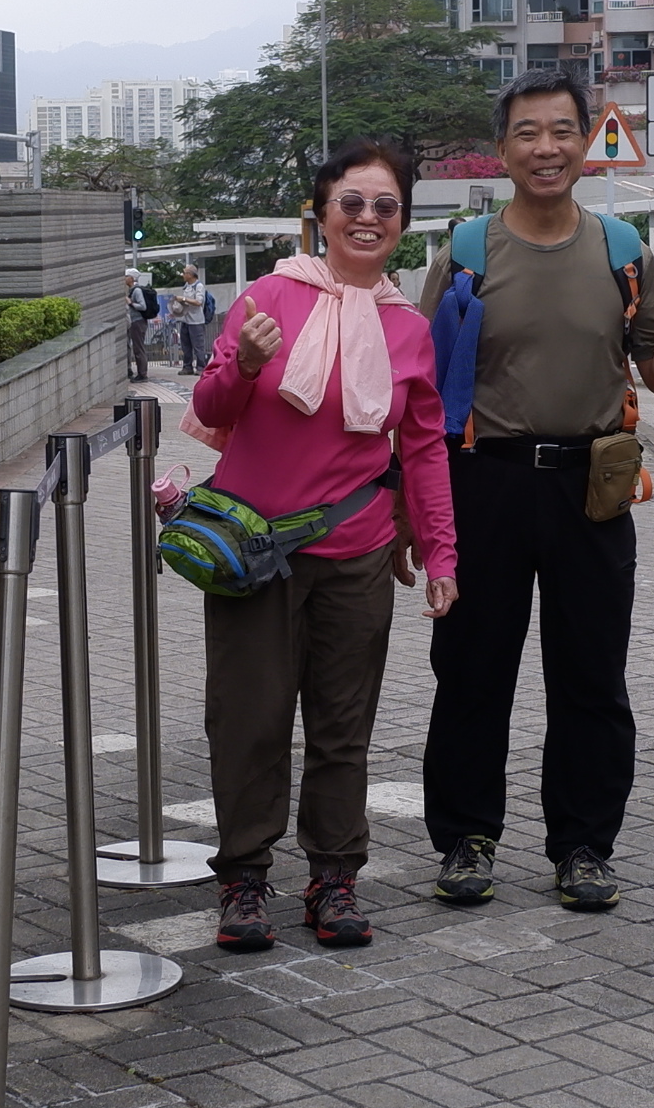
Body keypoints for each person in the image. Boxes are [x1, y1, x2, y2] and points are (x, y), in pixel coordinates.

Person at [418, 70, 654, 911]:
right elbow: (425, 392)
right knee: (471, 671)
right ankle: (466, 838)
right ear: (502, 150)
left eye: (563, 131)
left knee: (591, 677)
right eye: (528, 133)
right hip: (485, 483)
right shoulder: (467, 251)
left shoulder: (622, 249)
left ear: (588, 142)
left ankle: (583, 846)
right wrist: (414, 511)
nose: (547, 148)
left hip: (592, 490)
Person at [189, 140, 460, 952]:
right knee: (250, 722)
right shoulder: (269, 295)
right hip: (256, 554)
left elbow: (424, 448)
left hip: (358, 553)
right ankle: (243, 879)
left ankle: (334, 879)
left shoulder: (408, 327)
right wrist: (245, 363)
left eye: (385, 206)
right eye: (352, 202)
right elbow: (211, 405)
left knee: (343, 728)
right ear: (321, 213)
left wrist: (441, 553)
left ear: (402, 221)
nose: (368, 218)